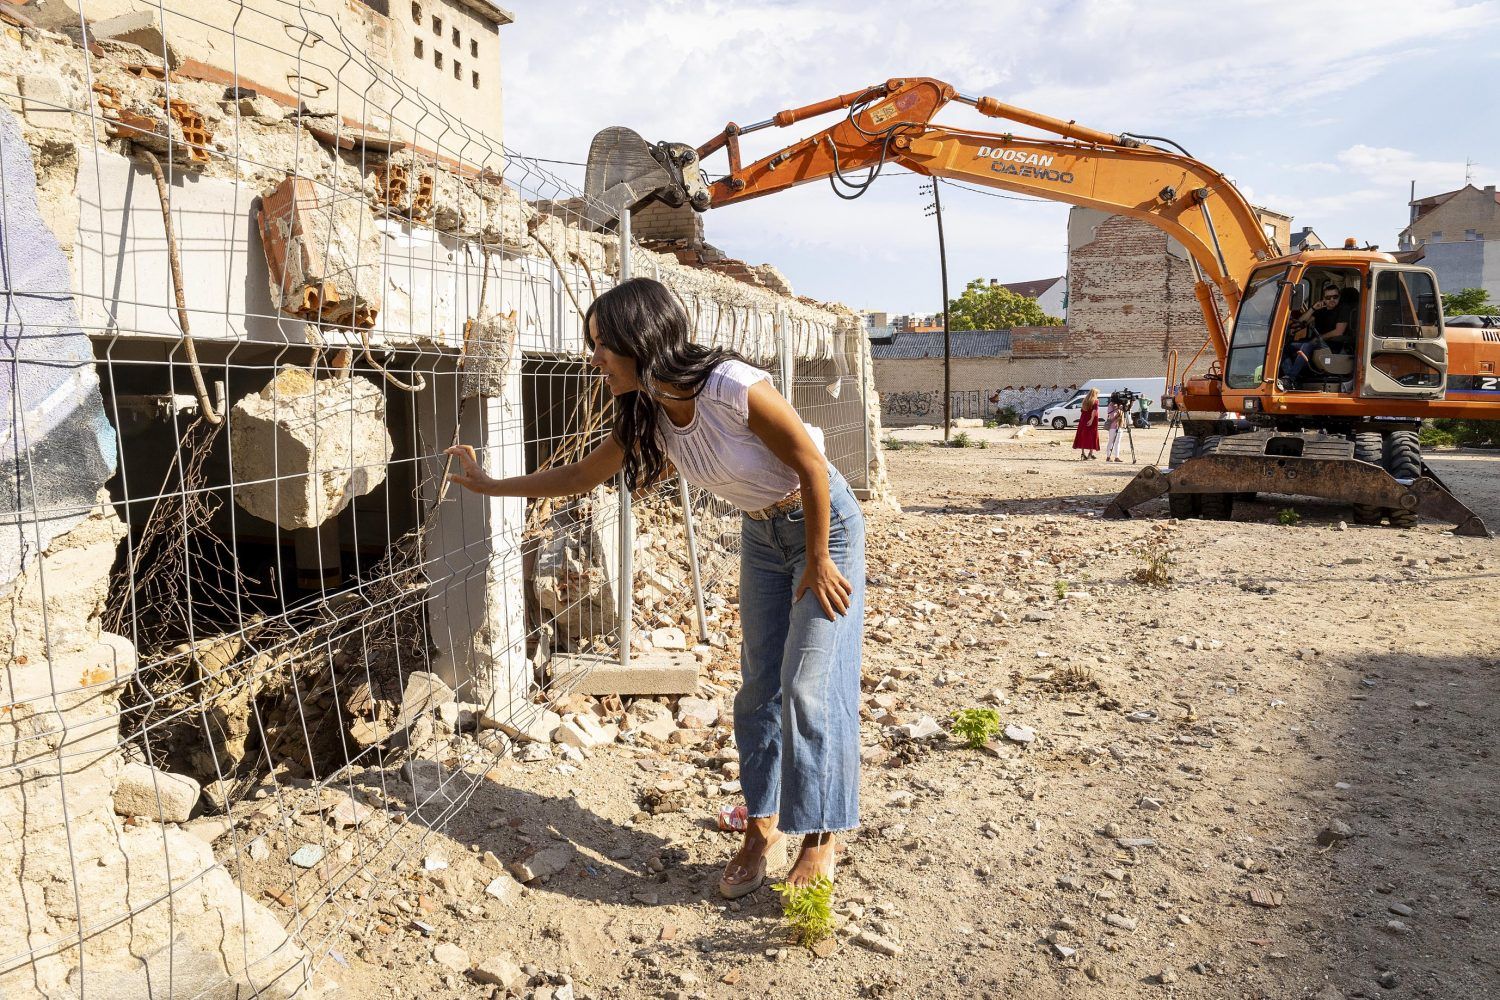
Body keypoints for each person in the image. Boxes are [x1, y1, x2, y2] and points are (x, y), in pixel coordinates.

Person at [444, 277, 863, 899]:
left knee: (808, 682)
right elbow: (584, 474)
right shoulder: (648, 409)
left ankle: (820, 837)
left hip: (820, 527)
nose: (594, 360)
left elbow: (808, 459)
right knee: (756, 688)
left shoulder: (731, 386)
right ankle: (763, 824)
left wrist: (820, 557)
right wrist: (490, 486)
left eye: (602, 345)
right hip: (761, 537)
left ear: (640, 339)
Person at [1279, 283, 1351, 389]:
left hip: (1333, 345)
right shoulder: (1321, 310)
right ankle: (1294, 379)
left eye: (1335, 297)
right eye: (1328, 297)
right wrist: (1313, 308)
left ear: (1339, 297)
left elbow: (1338, 332)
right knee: (1285, 347)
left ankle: (1290, 378)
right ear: (1324, 299)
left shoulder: (1343, 309)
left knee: (1307, 345)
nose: (1332, 300)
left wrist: (1319, 338)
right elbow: (1300, 322)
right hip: (1316, 343)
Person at [1072, 387, 1101, 459]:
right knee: (1092, 435)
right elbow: (1094, 411)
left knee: (1083, 435)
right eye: (1097, 394)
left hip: (1083, 419)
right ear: (1095, 394)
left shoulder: (1084, 400)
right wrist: (1091, 420)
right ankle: (1090, 453)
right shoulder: (1095, 401)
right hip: (1092, 420)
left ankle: (1083, 453)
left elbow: (1082, 410)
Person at [1104, 395, 1124, 462]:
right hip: (1112, 426)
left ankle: (1117, 457)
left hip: (1119, 425)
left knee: (1118, 442)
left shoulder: (1120, 405)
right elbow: (1111, 416)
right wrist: (1117, 408)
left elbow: (1126, 410)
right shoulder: (1111, 405)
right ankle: (1108, 456)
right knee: (1111, 441)